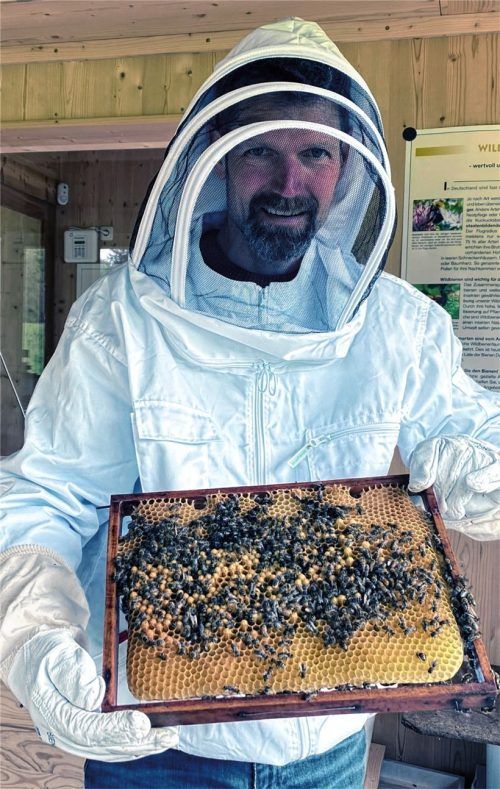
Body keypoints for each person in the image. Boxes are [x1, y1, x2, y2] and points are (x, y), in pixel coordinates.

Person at [1, 17, 499, 789]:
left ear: (348, 169)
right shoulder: (122, 322)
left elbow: (478, 430)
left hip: (328, 747)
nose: (289, 182)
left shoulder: (398, 325)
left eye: (316, 153)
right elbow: (42, 497)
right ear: (218, 156)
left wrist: (483, 467)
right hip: (157, 750)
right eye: (263, 149)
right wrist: (37, 637)